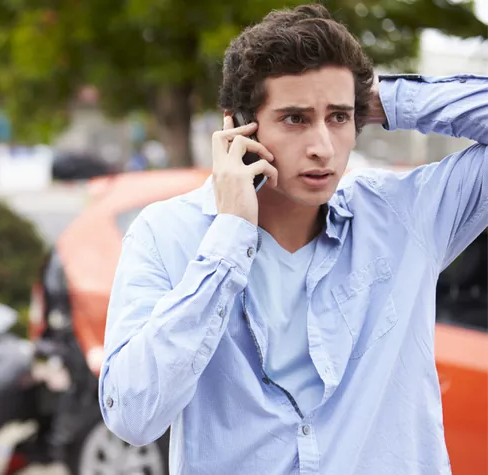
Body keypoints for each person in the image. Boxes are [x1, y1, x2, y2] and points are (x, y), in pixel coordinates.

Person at [98, 4, 486, 475]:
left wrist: (379, 99)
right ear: (238, 128)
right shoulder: (166, 235)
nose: (322, 145)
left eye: (339, 118)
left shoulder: (405, 217)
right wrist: (229, 239)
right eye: (296, 118)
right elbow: (132, 417)